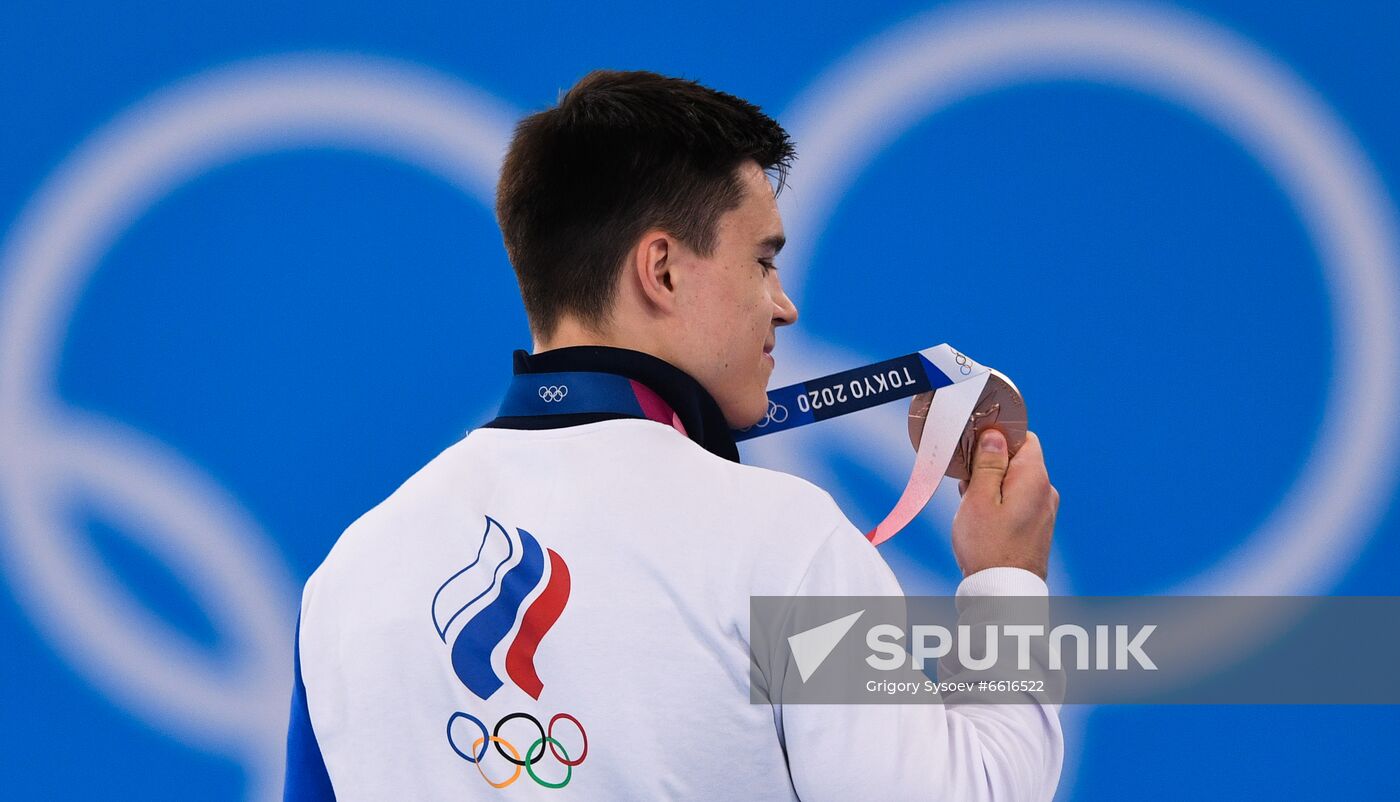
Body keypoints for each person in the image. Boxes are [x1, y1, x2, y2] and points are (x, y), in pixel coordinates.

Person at [284, 69, 1062, 800]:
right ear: (661, 270)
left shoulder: (347, 578)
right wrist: (1007, 583)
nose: (783, 306)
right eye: (762, 261)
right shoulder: (783, 544)